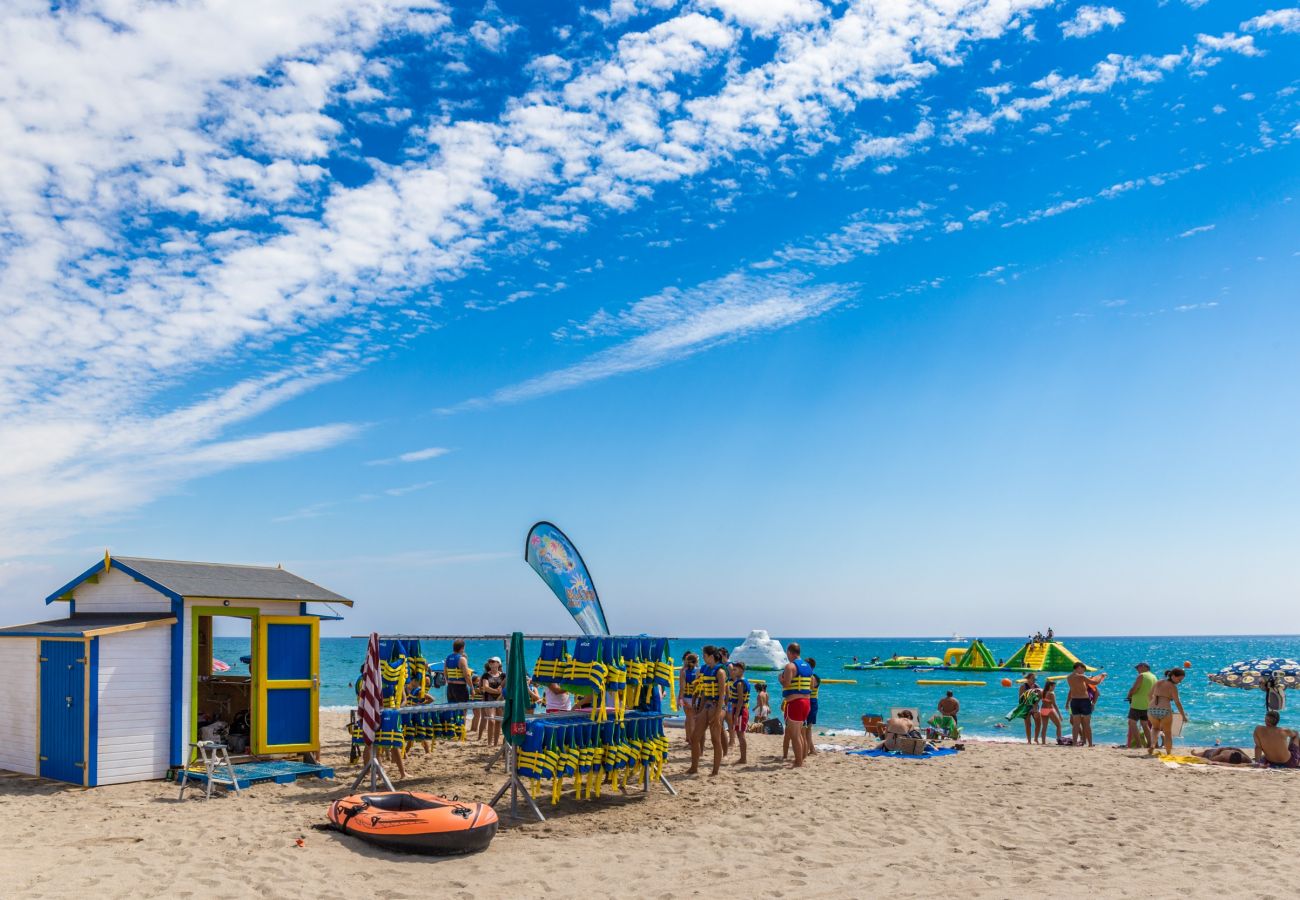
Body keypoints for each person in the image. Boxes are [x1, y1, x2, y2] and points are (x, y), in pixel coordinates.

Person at [686, 646, 728, 776]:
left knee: (715, 739)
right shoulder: (704, 670)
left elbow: (722, 695)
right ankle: (694, 767)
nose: (702, 657)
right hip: (707, 705)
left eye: (704, 655)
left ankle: (715, 771)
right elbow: (704, 692)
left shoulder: (720, 671)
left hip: (718, 706)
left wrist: (717, 715)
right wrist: (699, 710)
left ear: (711, 656)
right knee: (694, 737)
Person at [779, 642, 813, 768]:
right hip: (806, 702)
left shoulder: (790, 666)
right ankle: (802, 758)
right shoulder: (808, 666)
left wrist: (779, 679)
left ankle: (798, 762)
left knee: (795, 735)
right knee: (800, 733)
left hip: (795, 703)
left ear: (789, 652)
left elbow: (786, 684)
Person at [1146, 668, 1188, 756]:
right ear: (1173, 676)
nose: (1180, 682)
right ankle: (1168, 753)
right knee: (1168, 732)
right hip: (1165, 709)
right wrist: (1183, 715)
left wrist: (1152, 705)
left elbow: (1149, 695)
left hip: (1152, 709)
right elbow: (1177, 702)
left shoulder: (1159, 682)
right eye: (1179, 679)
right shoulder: (1173, 687)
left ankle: (1153, 745)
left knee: (1155, 728)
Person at [1065, 663, 1107, 747]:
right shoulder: (1081, 677)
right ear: (1079, 668)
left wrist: (1067, 703)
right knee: (1087, 724)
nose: (1083, 672)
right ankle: (1090, 744)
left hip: (1074, 701)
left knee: (1076, 724)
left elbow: (1072, 689)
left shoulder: (1069, 677)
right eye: (1083, 670)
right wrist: (1102, 676)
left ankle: (1074, 743)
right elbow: (1094, 682)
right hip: (1084, 701)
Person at [1125, 662, 1157, 749]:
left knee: (1132, 722)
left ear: (1143, 667)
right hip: (1148, 704)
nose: (1137, 670)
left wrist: (1129, 695)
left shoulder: (1142, 675)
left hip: (1138, 704)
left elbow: (1134, 688)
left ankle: (1139, 744)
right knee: (1144, 724)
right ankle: (1150, 744)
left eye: (1138, 668)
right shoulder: (1154, 677)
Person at [728, 660, 750, 764]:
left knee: (741, 735)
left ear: (741, 670)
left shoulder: (740, 683)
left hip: (740, 711)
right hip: (738, 710)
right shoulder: (740, 681)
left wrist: (736, 715)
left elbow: (740, 700)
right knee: (739, 734)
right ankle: (742, 758)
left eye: (735, 669)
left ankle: (743, 758)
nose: (733, 671)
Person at [480, 657, 504, 747]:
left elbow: (504, 688)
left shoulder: (503, 676)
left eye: (493, 661)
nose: (490, 663)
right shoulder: (486, 675)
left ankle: (495, 743)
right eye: (489, 662)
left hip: (500, 700)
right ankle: (489, 743)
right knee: (491, 720)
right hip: (488, 700)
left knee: (498, 721)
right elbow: (485, 687)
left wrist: (500, 693)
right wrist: (496, 691)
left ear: (498, 664)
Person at [445, 639, 473, 704]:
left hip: (450, 687)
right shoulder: (462, 659)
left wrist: (449, 682)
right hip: (460, 688)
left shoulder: (447, 658)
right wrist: (472, 688)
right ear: (462, 648)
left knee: (453, 710)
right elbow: (467, 675)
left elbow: (445, 673)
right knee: (463, 709)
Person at [678, 652, 699, 734]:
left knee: (689, 718)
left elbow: (682, 688)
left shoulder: (683, 671)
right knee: (694, 719)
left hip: (686, 698)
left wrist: (680, 699)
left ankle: (689, 738)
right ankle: (693, 739)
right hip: (696, 698)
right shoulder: (699, 671)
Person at [1018, 673, 1042, 744]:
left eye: (1035, 679)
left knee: (1038, 723)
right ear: (1028, 679)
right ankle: (1029, 740)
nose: (1034, 680)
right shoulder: (1023, 686)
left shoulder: (1036, 686)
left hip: (1035, 706)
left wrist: (1036, 705)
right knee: (1028, 724)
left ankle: (1036, 739)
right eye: (1033, 679)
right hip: (1026, 706)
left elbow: (1040, 696)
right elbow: (1020, 698)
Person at [804, 658, 821, 757]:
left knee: (808, 727)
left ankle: (811, 749)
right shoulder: (810, 676)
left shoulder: (812, 677)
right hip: (810, 701)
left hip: (811, 701)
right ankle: (811, 749)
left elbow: (809, 689)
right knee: (807, 727)